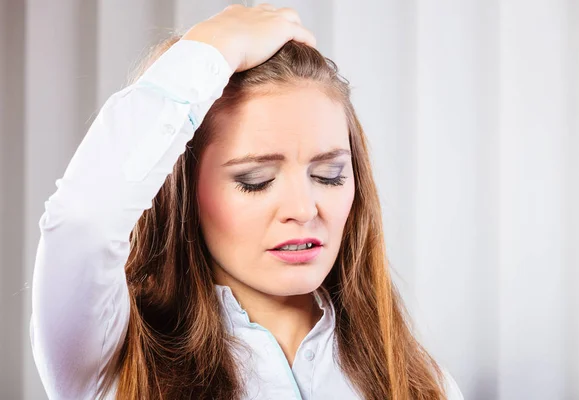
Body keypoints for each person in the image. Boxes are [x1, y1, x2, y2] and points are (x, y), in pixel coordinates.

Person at [30, 4, 464, 400]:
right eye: (256, 181)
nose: (304, 208)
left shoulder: (420, 380)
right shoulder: (116, 358)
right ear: (186, 192)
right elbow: (82, 222)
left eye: (328, 175)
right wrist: (213, 46)